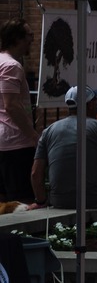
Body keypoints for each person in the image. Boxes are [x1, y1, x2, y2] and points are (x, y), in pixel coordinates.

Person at [31, 86, 97, 209]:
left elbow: (35, 174)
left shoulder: (48, 131)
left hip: (59, 201)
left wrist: (41, 201)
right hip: (95, 198)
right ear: (90, 105)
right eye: (96, 102)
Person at [0, 20, 39, 202]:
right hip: (16, 142)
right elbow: (11, 105)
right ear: (16, 38)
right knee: (20, 200)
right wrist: (33, 135)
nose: (32, 39)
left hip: (4, 141)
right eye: (28, 35)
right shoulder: (11, 66)